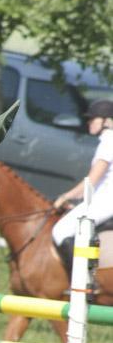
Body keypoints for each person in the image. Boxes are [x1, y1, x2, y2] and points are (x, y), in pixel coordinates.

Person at [52, 99, 113, 277]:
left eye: (93, 119)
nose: (89, 122)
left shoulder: (109, 142)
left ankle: (84, 281)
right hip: (102, 199)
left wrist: (65, 197)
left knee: (60, 231)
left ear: (106, 121)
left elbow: (92, 181)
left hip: (107, 201)